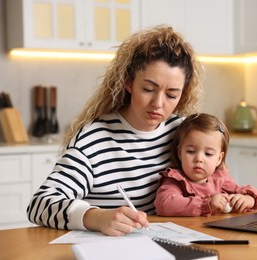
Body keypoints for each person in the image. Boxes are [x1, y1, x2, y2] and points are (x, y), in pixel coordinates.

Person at [26, 25, 203, 236]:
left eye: (172, 95)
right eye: (148, 89)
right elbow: (40, 205)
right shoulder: (95, 137)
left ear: (182, 95)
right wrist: (96, 217)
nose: (158, 103)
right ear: (129, 83)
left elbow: (217, 183)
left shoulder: (183, 133)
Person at [154, 113, 257, 216]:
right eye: (191, 151)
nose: (199, 159)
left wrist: (247, 199)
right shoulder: (175, 179)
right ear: (180, 153)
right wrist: (206, 204)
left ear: (219, 158)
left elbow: (246, 192)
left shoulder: (220, 179)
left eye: (208, 154)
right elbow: (164, 204)